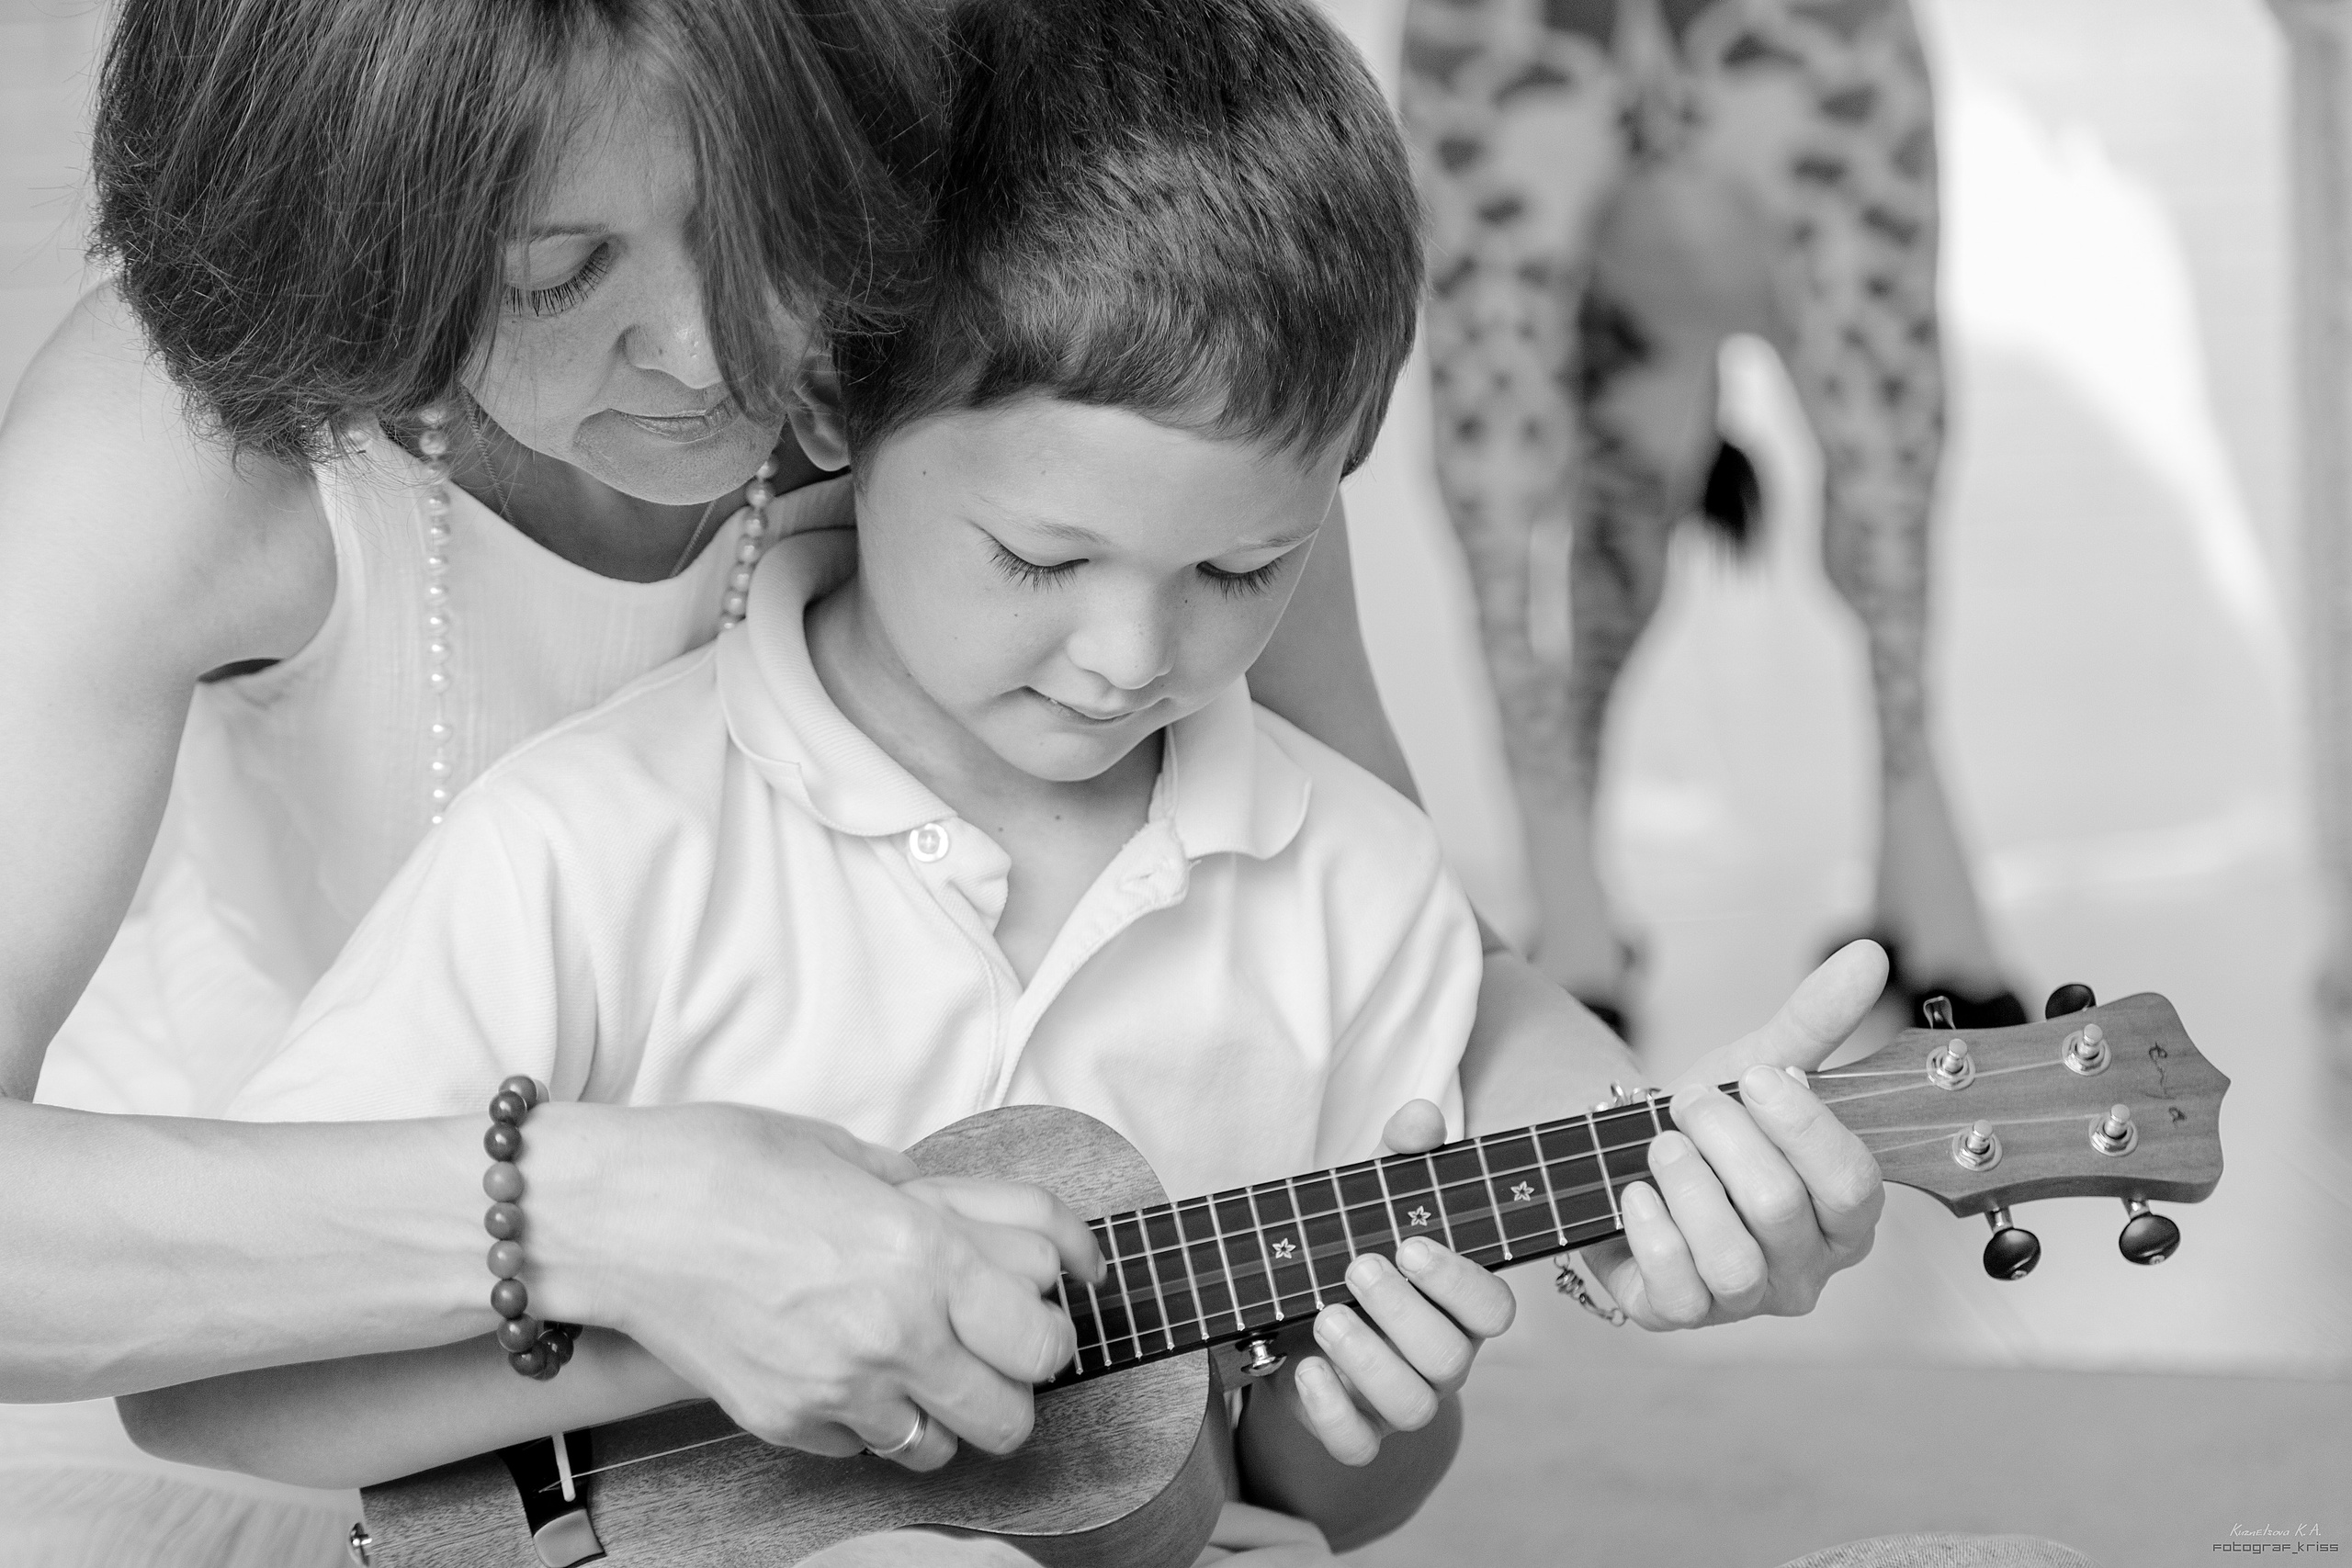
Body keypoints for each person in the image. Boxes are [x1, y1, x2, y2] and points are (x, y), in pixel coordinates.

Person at [125, 8, 2081, 1568]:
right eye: (1042, 561)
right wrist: (681, 1313)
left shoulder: (1346, 886)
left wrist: (1359, 1403)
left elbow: (1313, 1487)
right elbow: (215, 1380)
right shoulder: (593, 841)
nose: (1130, 657)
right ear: (830, 415)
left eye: (1242, 571)